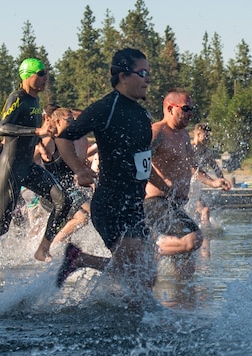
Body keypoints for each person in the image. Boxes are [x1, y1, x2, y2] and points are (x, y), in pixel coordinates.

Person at [55, 48, 155, 292]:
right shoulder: (105, 109)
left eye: (149, 74)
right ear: (123, 75)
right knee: (136, 272)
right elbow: (63, 138)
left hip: (133, 204)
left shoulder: (142, 112)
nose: (147, 79)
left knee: (147, 274)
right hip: (110, 203)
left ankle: (80, 260)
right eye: (142, 73)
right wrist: (79, 169)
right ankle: (134, 324)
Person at [0, 57, 71, 263]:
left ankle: (42, 249)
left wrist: (42, 142)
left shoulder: (35, 101)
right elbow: (3, 127)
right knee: (1, 225)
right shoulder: (17, 97)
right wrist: (37, 130)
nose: (45, 78)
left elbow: (33, 135)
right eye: (41, 74)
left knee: (64, 201)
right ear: (28, 75)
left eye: (46, 74)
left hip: (28, 166)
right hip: (11, 166)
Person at [145, 88, 231, 257]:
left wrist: (213, 182)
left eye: (192, 109)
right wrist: (163, 185)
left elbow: (192, 167)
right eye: (185, 109)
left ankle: (169, 279)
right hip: (155, 202)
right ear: (170, 108)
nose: (190, 113)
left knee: (186, 263)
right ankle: (148, 250)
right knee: (193, 239)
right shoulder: (157, 132)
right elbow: (140, 164)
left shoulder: (183, 135)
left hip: (175, 203)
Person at [40, 107, 92, 244]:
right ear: (57, 122)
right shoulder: (49, 141)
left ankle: (63, 246)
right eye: (69, 120)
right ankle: (51, 247)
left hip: (70, 189)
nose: (73, 123)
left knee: (94, 212)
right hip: (52, 191)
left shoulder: (75, 142)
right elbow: (27, 158)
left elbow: (81, 166)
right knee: (82, 218)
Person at [190, 122, 226, 226]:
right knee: (204, 210)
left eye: (208, 136)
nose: (207, 139)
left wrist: (222, 180)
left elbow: (215, 167)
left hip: (196, 185)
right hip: (186, 185)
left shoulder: (206, 151)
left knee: (203, 210)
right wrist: (212, 182)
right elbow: (191, 169)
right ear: (197, 135)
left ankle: (202, 232)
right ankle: (203, 233)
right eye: (205, 136)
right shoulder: (189, 148)